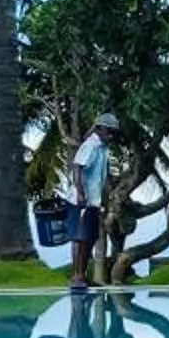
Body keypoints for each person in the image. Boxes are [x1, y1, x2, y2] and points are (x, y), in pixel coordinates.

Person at [69, 112, 118, 291]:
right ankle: (77, 276)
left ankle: (82, 275)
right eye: (109, 131)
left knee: (89, 238)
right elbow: (77, 168)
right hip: (82, 200)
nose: (111, 135)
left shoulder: (102, 148)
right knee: (81, 238)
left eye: (114, 132)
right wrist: (81, 194)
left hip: (93, 201)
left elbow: (100, 177)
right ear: (99, 129)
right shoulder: (91, 145)